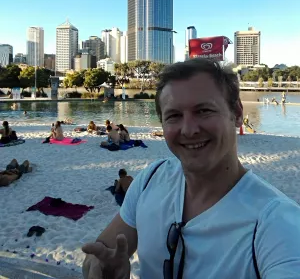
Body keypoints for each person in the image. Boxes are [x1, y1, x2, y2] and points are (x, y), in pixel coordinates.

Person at [82, 58, 300, 279]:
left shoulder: (275, 221)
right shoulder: (150, 180)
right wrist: (100, 266)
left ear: (237, 113)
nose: (188, 129)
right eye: (174, 116)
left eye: (204, 111)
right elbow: (102, 249)